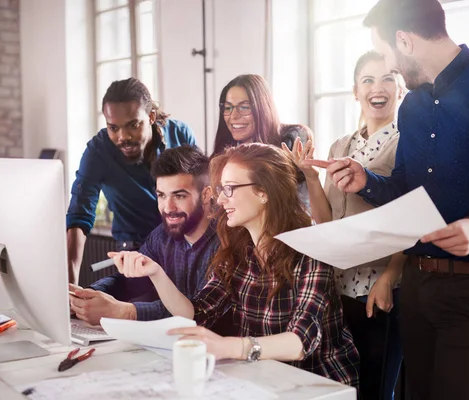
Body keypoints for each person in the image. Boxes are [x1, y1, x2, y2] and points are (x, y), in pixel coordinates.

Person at [308, 1, 469, 399]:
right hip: (416, 287)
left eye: (389, 55)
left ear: (405, 40)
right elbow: (406, 192)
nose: (391, 68)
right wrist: (366, 181)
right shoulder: (412, 107)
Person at [111, 143, 360, 387]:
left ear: (263, 192)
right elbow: (196, 314)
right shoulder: (238, 252)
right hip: (263, 380)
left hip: (318, 386)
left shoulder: (310, 249)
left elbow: (300, 342)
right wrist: (155, 272)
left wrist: (229, 346)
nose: (219, 199)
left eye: (229, 189)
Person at [286, 50, 405, 400]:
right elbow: (325, 220)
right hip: (338, 288)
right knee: (342, 388)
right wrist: (309, 175)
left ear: (400, 90)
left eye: (387, 79)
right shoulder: (341, 145)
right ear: (355, 91)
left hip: (379, 286)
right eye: (368, 80)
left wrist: (390, 276)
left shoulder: (406, 144)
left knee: (376, 387)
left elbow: (409, 217)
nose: (377, 88)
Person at [66, 77, 196, 285]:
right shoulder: (98, 151)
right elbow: (79, 215)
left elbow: (199, 198)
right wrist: (70, 286)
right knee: (104, 300)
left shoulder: (180, 134)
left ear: (151, 116)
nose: (122, 137)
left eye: (133, 125)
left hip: (184, 249)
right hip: (134, 253)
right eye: (113, 128)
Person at [69, 146, 218, 325]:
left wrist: (124, 312)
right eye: (161, 196)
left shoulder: (225, 242)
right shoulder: (162, 236)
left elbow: (195, 313)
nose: (168, 208)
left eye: (179, 196)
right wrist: (85, 297)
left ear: (206, 194)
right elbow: (130, 282)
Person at [211, 74, 313, 207]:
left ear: (262, 107)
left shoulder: (293, 137)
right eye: (228, 107)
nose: (234, 116)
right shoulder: (225, 152)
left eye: (244, 107)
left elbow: (304, 205)